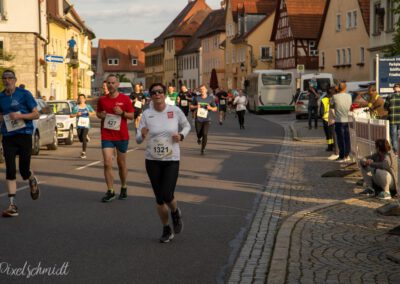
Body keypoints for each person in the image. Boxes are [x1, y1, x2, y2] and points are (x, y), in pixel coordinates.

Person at [136, 83, 191, 243]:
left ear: (164, 94)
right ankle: (166, 229)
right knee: (159, 198)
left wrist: (181, 136)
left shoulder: (174, 111)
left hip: (171, 159)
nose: (157, 94)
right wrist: (142, 135)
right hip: (152, 160)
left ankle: (175, 211)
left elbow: (186, 125)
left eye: (160, 92)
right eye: (154, 92)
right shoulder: (147, 114)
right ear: (150, 96)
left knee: (167, 194)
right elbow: (138, 138)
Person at [0, 70, 40, 217]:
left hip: (24, 135)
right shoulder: (1, 97)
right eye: (4, 78)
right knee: (10, 169)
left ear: (15, 80)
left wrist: (20, 116)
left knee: (23, 171)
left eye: (10, 78)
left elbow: (36, 114)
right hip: (8, 137)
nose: (7, 80)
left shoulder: (24, 94)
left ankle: (31, 178)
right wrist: (5, 118)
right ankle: (12, 204)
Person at [96, 74, 135, 202]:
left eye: (113, 83)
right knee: (107, 163)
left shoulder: (125, 99)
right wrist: (101, 115)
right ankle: (110, 190)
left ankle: (124, 186)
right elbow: (98, 113)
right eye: (109, 83)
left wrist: (122, 113)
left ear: (117, 84)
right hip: (107, 135)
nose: (111, 85)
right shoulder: (102, 100)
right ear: (106, 84)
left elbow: (131, 116)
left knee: (121, 163)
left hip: (121, 135)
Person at [190, 84, 217, 154]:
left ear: (206, 90)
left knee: (205, 134)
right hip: (198, 119)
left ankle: (203, 148)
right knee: (199, 133)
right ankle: (199, 138)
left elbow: (215, 108)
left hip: (206, 120)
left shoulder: (210, 98)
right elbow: (191, 107)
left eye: (203, 89)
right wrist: (196, 106)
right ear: (199, 90)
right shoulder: (196, 98)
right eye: (201, 89)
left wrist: (210, 108)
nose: (202, 90)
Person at [331, 82, 352, 162]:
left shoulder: (334, 97)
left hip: (339, 120)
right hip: (347, 119)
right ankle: (347, 155)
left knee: (340, 139)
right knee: (347, 138)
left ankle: (342, 156)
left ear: (338, 88)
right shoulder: (349, 96)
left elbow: (331, 107)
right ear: (345, 88)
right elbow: (350, 106)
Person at [71, 94, 95, 159]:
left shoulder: (88, 106)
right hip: (79, 125)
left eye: (82, 98)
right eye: (80, 98)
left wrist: (90, 113)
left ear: (85, 99)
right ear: (78, 99)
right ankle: (86, 138)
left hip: (86, 124)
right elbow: (71, 115)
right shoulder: (76, 107)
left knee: (83, 137)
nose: (81, 99)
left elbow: (94, 112)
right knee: (81, 139)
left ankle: (83, 152)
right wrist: (76, 114)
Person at [384, 83, 400, 153]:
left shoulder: (390, 96)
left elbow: (385, 107)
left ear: (393, 89)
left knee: (394, 136)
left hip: (393, 119)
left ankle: (396, 151)